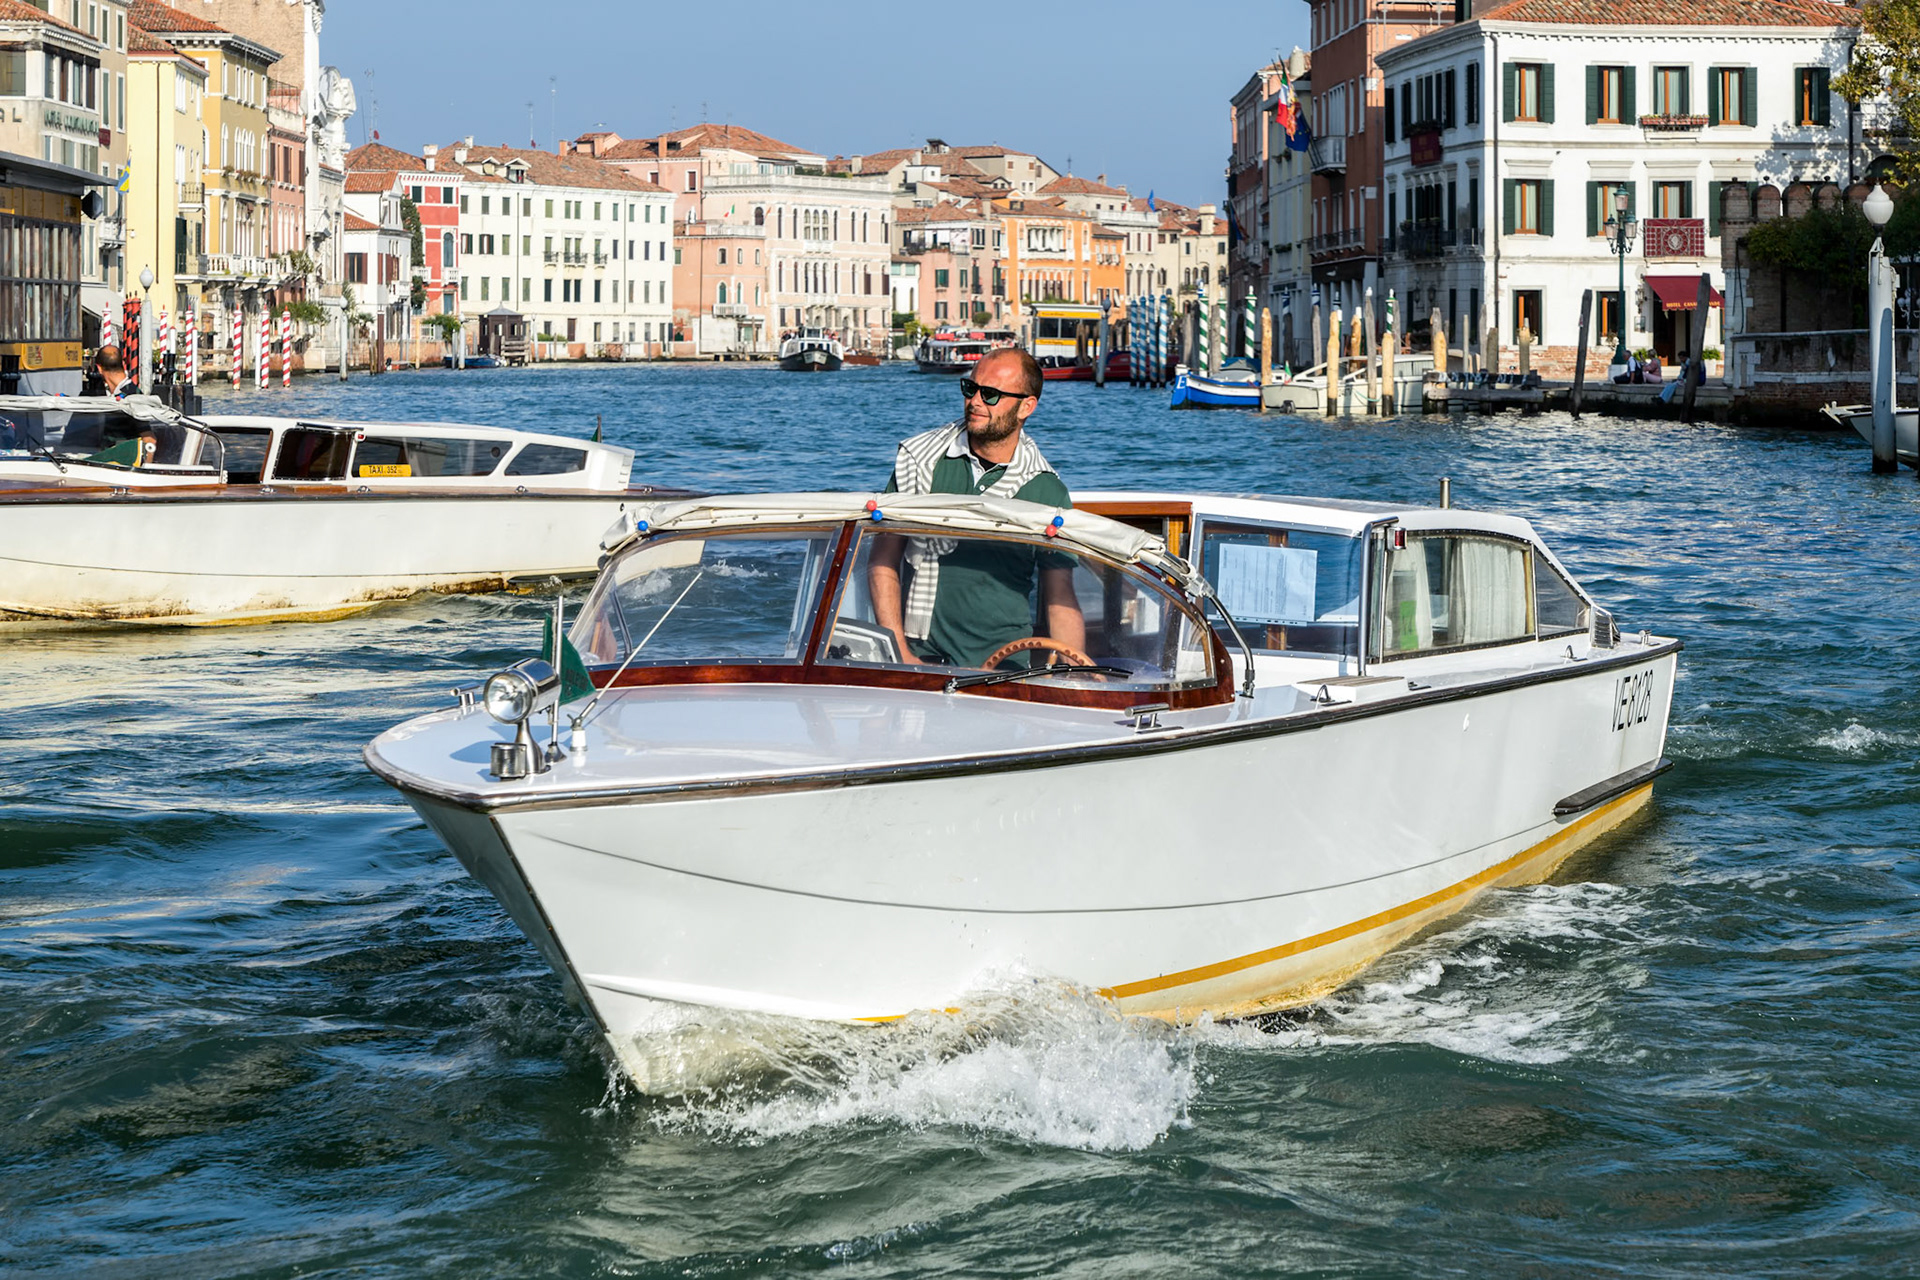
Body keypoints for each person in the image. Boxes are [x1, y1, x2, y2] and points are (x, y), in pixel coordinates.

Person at [870, 347, 1086, 668]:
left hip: (1007, 666)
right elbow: (882, 560)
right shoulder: (919, 460)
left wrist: (1074, 673)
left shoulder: (1045, 488)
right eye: (970, 388)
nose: (974, 401)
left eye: (990, 394)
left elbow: (1059, 595)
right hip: (919, 660)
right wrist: (900, 652)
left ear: (1027, 406)